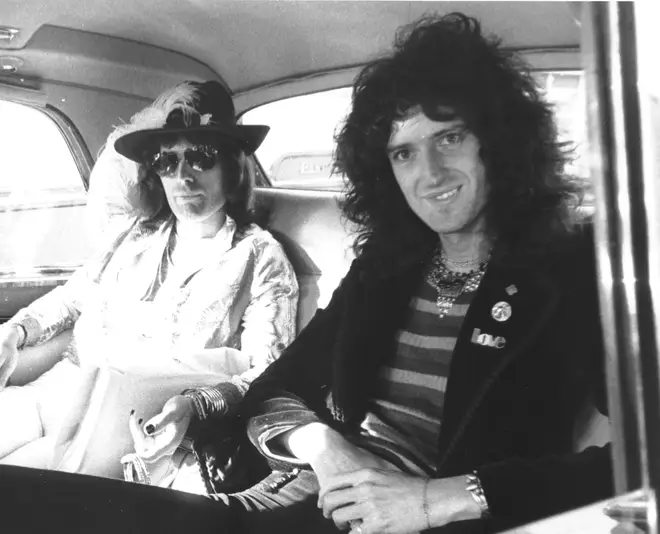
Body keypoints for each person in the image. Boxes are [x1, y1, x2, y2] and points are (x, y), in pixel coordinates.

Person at [0, 13, 611, 534]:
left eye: (449, 136)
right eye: (403, 151)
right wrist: (325, 447)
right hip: (291, 497)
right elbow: (276, 391)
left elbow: (639, 458)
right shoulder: (388, 265)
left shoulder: (569, 269)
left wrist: (444, 498)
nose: (429, 173)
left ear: (500, 142)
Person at [0, 80, 298, 492]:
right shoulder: (134, 234)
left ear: (231, 168)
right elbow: (71, 300)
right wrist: (16, 332)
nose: (183, 175)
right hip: (58, 388)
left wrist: (198, 404)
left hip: (127, 426)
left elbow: (267, 371)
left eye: (201, 157)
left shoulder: (260, 257)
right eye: (167, 161)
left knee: (14, 491)